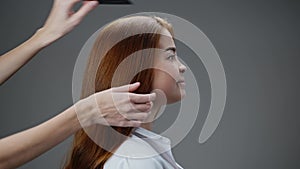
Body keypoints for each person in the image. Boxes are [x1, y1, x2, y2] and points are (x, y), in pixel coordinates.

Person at [0, 1, 156, 169]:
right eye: (170, 55)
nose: (182, 67)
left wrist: (44, 35)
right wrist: (84, 112)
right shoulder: (133, 162)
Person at [63, 15, 187, 169]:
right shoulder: (136, 161)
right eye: (170, 56)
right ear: (136, 68)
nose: (182, 67)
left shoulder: (135, 156)